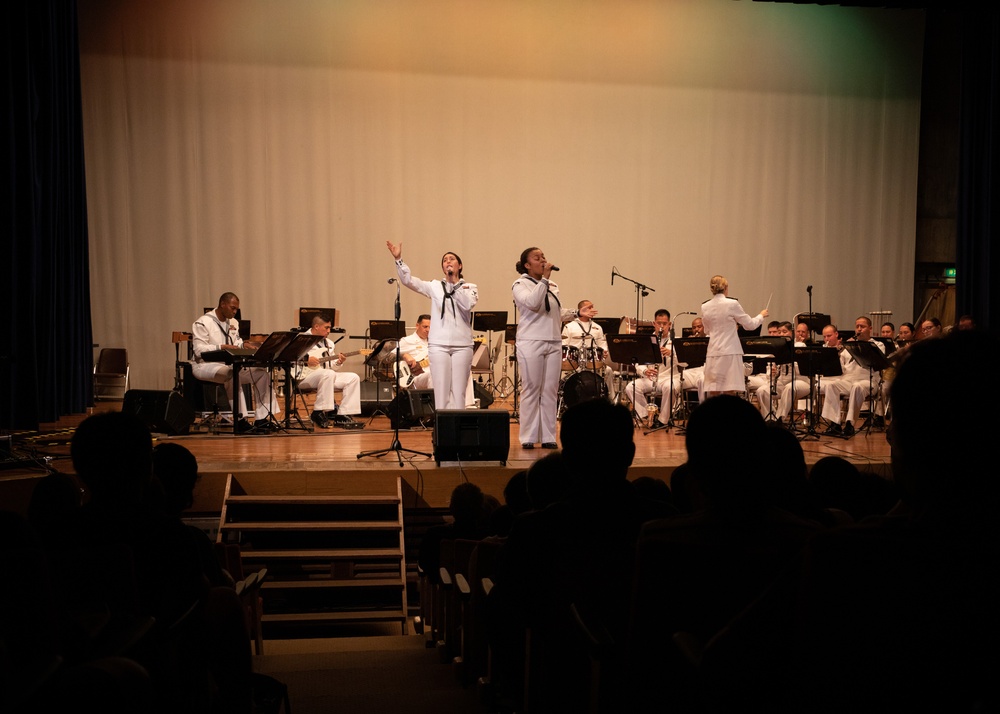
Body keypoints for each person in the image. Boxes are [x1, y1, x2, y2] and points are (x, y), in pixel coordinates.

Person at [387, 242, 479, 410]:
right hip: (438, 345)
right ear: (443, 267)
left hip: (462, 345)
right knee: (441, 390)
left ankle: (457, 429)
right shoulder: (435, 286)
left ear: (460, 265)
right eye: (445, 260)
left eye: (452, 259)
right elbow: (408, 281)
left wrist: (454, 283)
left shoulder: (469, 287)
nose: (448, 261)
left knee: (459, 392)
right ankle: (443, 430)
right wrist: (399, 259)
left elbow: (467, 305)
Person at [512, 247, 586, 449]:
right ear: (527, 265)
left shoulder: (552, 285)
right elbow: (533, 303)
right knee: (531, 388)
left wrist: (577, 312)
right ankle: (528, 436)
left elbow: (556, 313)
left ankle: (548, 436)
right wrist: (544, 280)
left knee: (550, 390)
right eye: (537, 258)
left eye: (543, 256)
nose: (543, 260)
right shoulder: (520, 284)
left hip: (553, 341)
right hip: (531, 341)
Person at [190, 292, 277, 427]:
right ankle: (240, 419)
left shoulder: (234, 322)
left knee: (262, 374)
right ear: (222, 304)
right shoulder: (203, 322)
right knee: (232, 374)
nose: (235, 312)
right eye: (233, 308)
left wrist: (244, 345)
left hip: (229, 365)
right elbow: (198, 351)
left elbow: (236, 342)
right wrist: (221, 346)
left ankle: (262, 418)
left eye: (237, 309)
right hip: (204, 366)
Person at [701, 275, 768, 396]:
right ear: (726, 287)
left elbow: (706, 330)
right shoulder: (732, 303)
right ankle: (729, 414)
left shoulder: (705, 306)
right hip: (730, 351)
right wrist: (761, 316)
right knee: (729, 388)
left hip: (713, 352)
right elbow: (750, 325)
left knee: (714, 389)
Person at [821, 316, 885, 437]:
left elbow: (876, 363)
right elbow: (841, 367)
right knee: (831, 385)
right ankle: (835, 424)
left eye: (862, 326)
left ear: (870, 328)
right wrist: (838, 351)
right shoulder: (848, 346)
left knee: (857, 386)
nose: (859, 329)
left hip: (868, 380)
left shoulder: (878, 344)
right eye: (857, 327)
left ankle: (850, 424)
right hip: (848, 379)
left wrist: (856, 347)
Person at [297, 314, 362, 428]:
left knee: (353, 377)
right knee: (328, 374)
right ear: (316, 326)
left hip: (325, 376)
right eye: (326, 328)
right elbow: (290, 358)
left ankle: (343, 414)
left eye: (329, 328)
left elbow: (331, 367)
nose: (329, 331)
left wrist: (339, 362)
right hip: (303, 377)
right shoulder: (301, 339)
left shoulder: (329, 343)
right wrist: (306, 360)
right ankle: (318, 412)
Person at [624, 309, 683, 425]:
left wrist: (672, 354)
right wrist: (645, 371)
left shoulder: (676, 340)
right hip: (651, 378)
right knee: (630, 387)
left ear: (669, 324)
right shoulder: (647, 341)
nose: (661, 326)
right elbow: (638, 362)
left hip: (669, 378)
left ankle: (662, 420)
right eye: (659, 323)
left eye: (665, 324)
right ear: (654, 324)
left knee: (669, 387)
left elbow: (685, 363)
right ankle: (646, 415)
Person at [562, 299, 614, 396]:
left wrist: (604, 351)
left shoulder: (597, 327)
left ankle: (609, 399)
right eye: (589, 308)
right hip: (574, 362)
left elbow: (601, 344)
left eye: (592, 307)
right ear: (581, 309)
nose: (592, 310)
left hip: (592, 361)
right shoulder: (569, 326)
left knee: (608, 370)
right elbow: (563, 345)